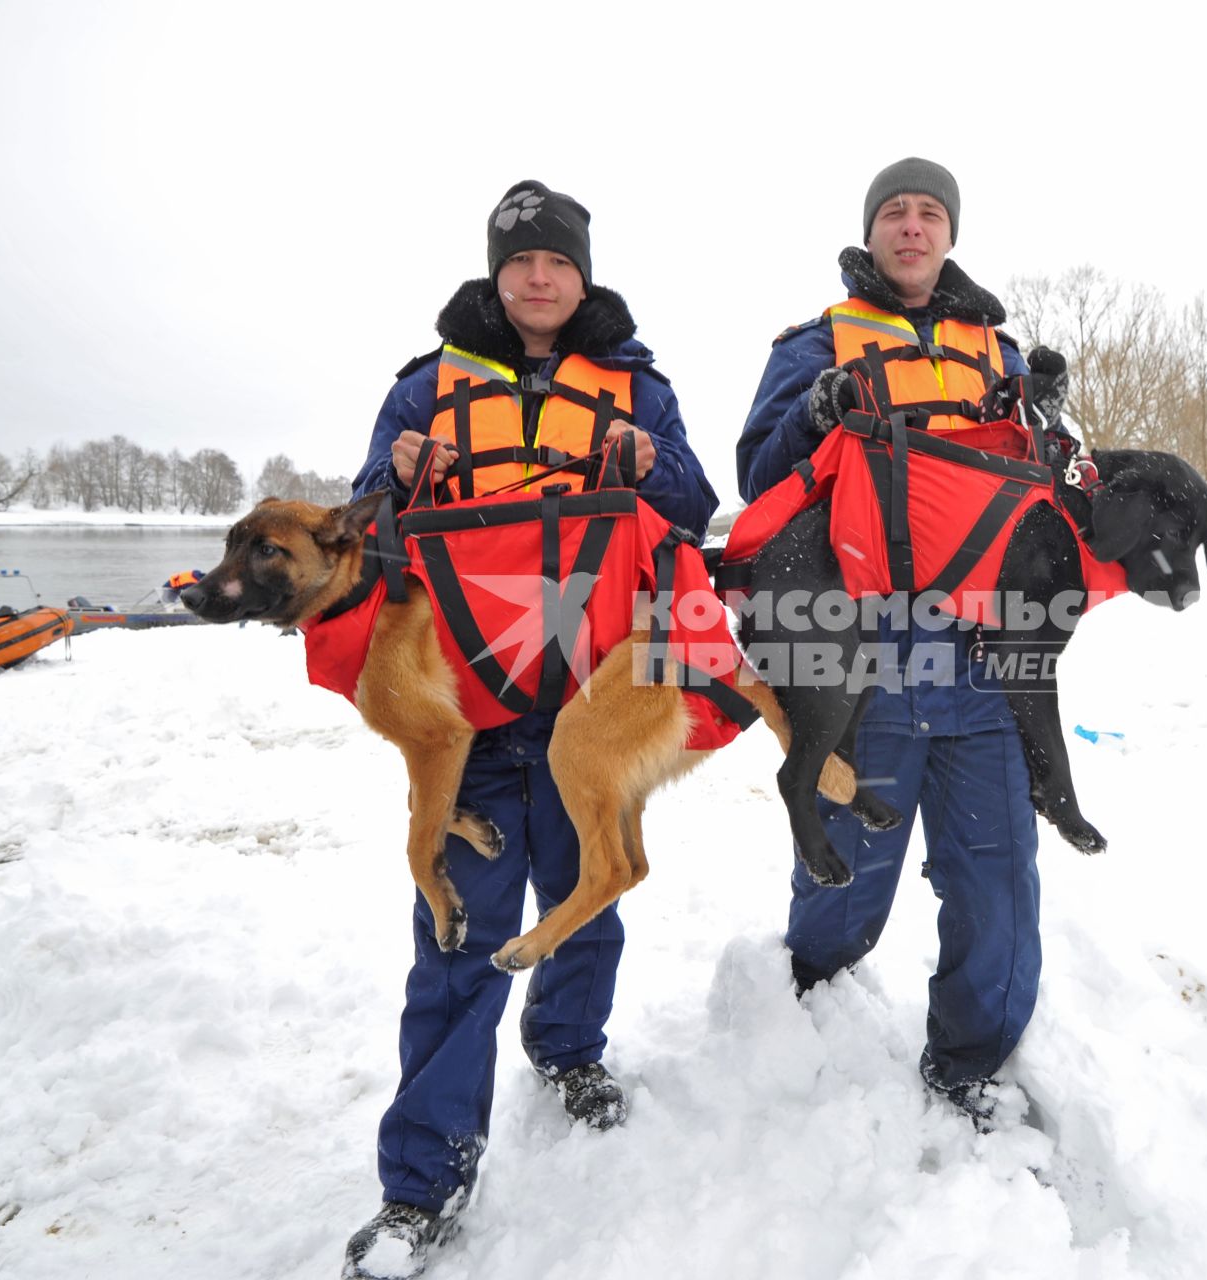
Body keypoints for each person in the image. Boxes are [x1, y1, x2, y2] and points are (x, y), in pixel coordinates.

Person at [342, 180, 718, 1280]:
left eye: (556, 261)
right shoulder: (423, 389)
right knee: (454, 939)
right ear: (497, 275)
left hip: (588, 704)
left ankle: (569, 1046)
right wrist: (392, 476)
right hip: (465, 707)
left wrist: (655, 466)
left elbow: (694, 502)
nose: (539, 278)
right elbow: (362, 524)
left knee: (585, 894)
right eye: (520, 263)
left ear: (581, 273)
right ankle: (422, 1182)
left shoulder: (637, 388)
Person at [737, 157, 1072, 1131]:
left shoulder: (997, 352)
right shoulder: (813, 344)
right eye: (895, 212)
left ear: (950, 233)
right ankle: (806, 1001)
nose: (912, 226)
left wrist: (1047, 412)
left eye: (930, 212)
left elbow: (1044, 496)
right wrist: (813, 411)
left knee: (996, 885)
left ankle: (971, 1061)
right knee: (840, 879)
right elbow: (757, 473)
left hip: (981, 665)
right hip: (861, 663)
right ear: (872, 231)